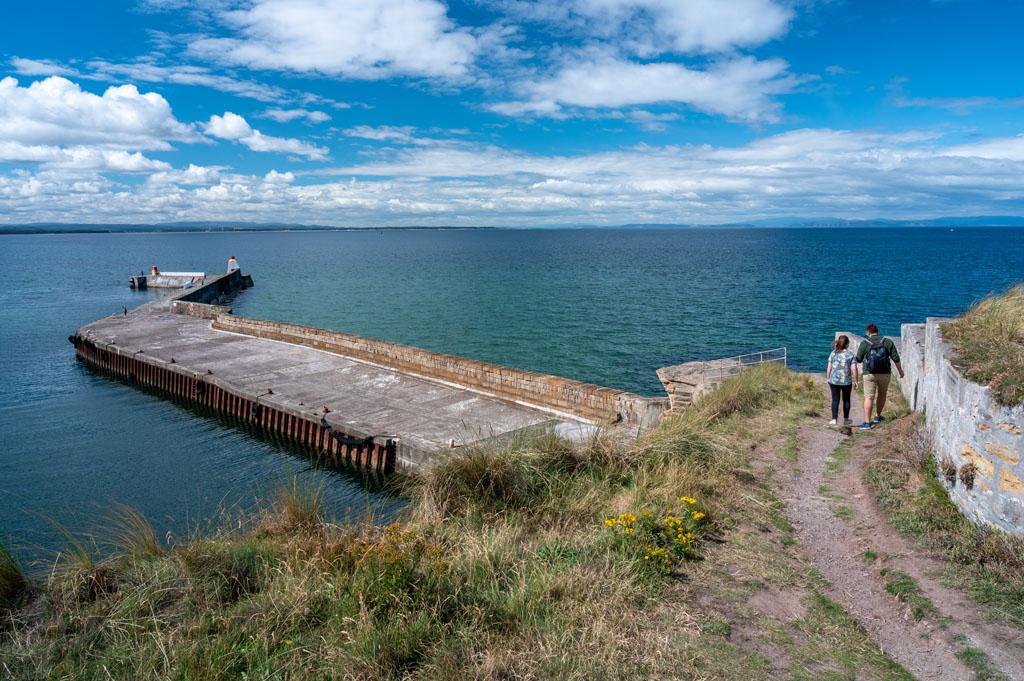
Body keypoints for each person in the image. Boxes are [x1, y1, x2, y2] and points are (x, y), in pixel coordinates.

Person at [855, 323, 905, 429]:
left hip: (869, 373)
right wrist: (900, 371)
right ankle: (877, 416)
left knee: (869, 397)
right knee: (882, 394)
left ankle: (867, 423)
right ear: (877, 331)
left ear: (868, 332)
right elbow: (895, 358)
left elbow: (858, 359)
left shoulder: (865, 343)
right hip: (885, 373)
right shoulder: (887, 342)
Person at [826, 335, 858, 425]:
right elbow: (854, 369)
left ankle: (834, 419)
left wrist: (828, 378)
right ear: (847, 344)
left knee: (835, 400)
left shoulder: (833, 353)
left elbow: (829, 367)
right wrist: (856, 381)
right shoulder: (850, 354)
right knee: (846, 400)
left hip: (834, 381)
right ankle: (846, 419)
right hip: (846, 381)